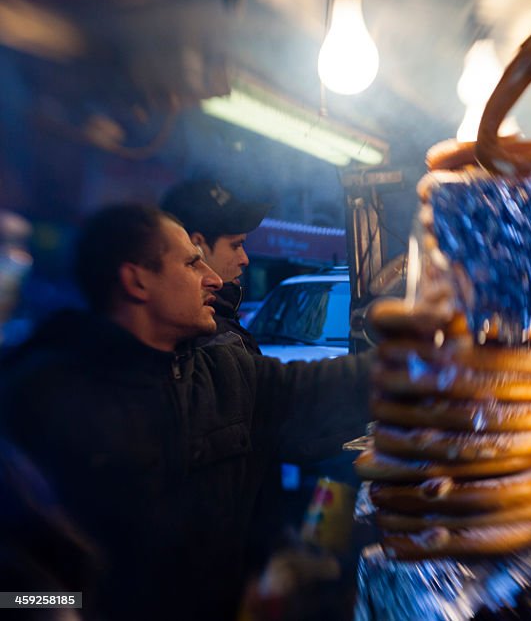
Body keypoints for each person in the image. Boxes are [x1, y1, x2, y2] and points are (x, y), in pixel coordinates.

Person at [0, 204, 371, 621]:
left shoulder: (223, 372)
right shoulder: (39, 400)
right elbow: (15, 595)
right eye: (193, 263)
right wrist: (94, 609)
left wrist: (420, 359)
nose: (212, 278)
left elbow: (321, 388)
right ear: (137, 280)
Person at [160, 179, 271, 354]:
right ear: (196, 245)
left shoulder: (213, 327)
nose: (244, 259)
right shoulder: (210, 339)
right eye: (235, 245)